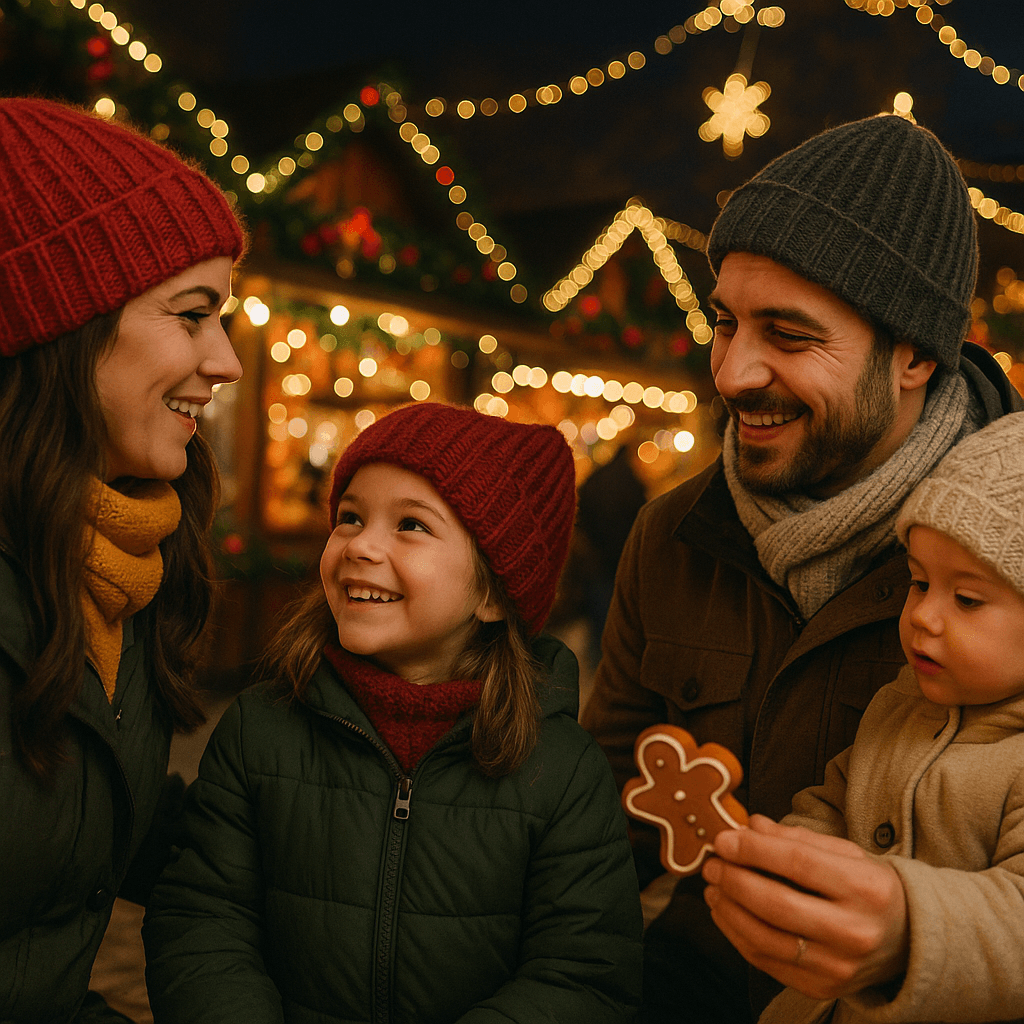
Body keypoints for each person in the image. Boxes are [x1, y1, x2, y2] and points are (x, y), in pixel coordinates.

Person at [580, 112, 1024, 1023]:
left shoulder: (1011, 557)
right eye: (725, 322)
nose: (734, 372)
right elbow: (596, 830)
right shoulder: (671, 536)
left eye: (788, 335)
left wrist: (915, 933)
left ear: (913, 356)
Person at [142, 402, 644, 1023]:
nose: (361, 546)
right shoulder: (262, 729)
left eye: (411, 525)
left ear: (492, 591)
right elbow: (204, 921)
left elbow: (583, 975)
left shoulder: (560, 771)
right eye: (350, 517)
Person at [0, 97, 245, 1022]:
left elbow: (91, 828)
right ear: (57, 322)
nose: (224, 360)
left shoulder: (120, 564)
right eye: (192, 314)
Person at [705, 411, 1024, 1024]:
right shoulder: (898, 705)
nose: (925, 616)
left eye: (966, 599)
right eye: (918, 582)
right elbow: (832, 804)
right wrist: (794, 866)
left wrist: (908, 928)